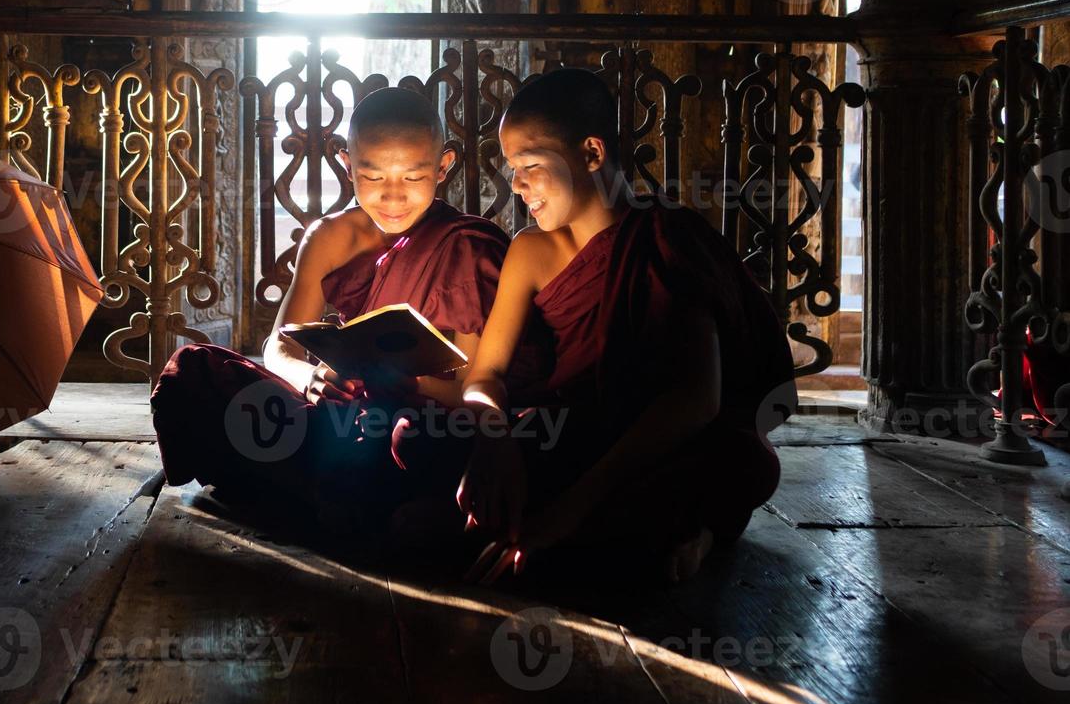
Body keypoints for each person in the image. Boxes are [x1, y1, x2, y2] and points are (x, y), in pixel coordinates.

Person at [453, 67, 798, 585]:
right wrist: (495, 440)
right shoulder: (531, 250)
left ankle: (678, 534)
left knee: (740, 458)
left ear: (592, 153)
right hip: (571, 429)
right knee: (424, 437)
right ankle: (648, 538)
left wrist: (572, 508)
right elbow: (485, 377)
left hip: (651, 445)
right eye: (511, 168)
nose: (517, 184)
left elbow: (696, 400)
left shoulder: (666, 239)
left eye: (529, 165)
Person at [150, 87, 538, 521]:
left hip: (417, 417)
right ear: (347, 164)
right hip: (340, 412)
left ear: (443, 166)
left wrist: (404, 383)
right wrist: (310, 378)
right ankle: (357, 506)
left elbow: (472, 389)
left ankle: (319, 501)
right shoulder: (329, 238)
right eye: (373, 178)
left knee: (416, 438)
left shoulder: (467, 246)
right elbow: (279, 347)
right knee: (192, 373)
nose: (393, 197)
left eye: (412, 178)